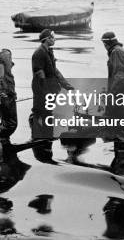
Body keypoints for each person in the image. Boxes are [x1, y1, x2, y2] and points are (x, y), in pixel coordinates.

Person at [30, 29, 75, 163]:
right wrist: (45, 92)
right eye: (52, 37)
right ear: (46, 39)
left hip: (50, 90)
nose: (54, 39)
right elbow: (39, 74)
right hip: (42, 90)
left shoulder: (49, 52)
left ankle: (46, 140)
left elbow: (55, 71)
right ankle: (38, 140)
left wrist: (67, 86)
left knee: (47, 113)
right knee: (40, 113)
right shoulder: (39, 53)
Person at [101, 31, 124, 175]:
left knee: (120, 130)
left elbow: (119, 76)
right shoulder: (122, 52)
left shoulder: (116, 52)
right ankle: (120, 163)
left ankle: (122, 166)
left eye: (104, 44)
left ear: (106, 43)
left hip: (119, 97)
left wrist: (111, 96)